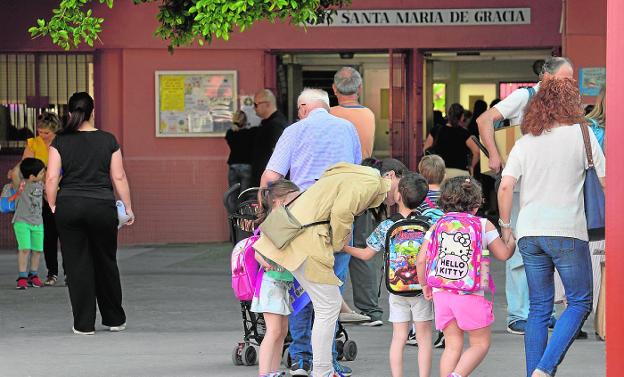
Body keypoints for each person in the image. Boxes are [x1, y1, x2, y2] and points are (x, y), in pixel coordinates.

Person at [497, 77, 605, 377]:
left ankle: (534, 372)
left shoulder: (525, 142)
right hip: (568, 231)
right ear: (572, 103)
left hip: (529, 233)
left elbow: (505, 187)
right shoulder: (583, 135)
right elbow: (608, 182)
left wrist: (507, 228)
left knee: (538, 308)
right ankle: (544, 369)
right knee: (580, 302)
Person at [254, 162, 395, 377]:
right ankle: (322, 370)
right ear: (393, 176)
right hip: (309, 246)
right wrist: (339, 242)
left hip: (299, 245)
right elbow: (341, 212)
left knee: (324, 307)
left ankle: (317, 367)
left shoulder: (348, 175)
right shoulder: (369, 183)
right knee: (327, 307)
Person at [259, 88, 361, 376]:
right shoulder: (347, 128)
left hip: (301, 222)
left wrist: (267, 217)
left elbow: (271, 177)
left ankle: (301, 358)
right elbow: (356, 171)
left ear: (303, 107)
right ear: (326, 106)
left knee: (302, 290)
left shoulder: (294, 130)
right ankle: (326, 362)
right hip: (339, 219)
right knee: (331, 292)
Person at [476, 56, 574, 335]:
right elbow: (485, 121)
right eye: (562, 78)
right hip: (520, 187)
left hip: (553, 185)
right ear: (546, 76)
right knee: (519, 247)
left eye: (570, 79)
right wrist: (495, 155)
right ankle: (519, 313)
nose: (567, 84)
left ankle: (544, 310)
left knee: (550, 248)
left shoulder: (565, 104)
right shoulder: (524, 96)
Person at [46, 92, 135, 335]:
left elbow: (52, 176)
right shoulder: (108, 140)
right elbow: (118, 176)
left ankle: (84, 324)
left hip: (69, 206)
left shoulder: (60, 141)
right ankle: (114, 319)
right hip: (101, 206)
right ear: (93, 112)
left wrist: (53, 204)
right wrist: (127, 207)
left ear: (69, 112)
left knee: (77, 265)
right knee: (105, 261)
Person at [416, 176, 515, 377]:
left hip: (441, 293)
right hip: (470, 294)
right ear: (477, 203)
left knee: (452, 346)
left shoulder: (438, 225)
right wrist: (511, 240)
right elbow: (503, 254)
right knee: (480, 343)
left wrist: (424, 284)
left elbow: (420, 260)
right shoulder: (483, 224)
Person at [343, 172, 434, 377]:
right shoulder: (429, 225)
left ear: (398, 196)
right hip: (422, 289)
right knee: (424, 337)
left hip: (397, 289)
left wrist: (345, 247)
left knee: (399, 336)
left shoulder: (387, 226)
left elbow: (366, 254)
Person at [330, 66, 382, 326]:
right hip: (361, 184)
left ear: (334, 89)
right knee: (361, 245)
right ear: (359, 89)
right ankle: (370, 309)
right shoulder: (368, 115)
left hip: (333, 186)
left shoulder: (328, 115)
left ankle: (331, 306)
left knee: (331, 246)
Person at [253, 179, 300, 377]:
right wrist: (264, 261)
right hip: (271, 283)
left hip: (282, 282)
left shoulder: (286, 221)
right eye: (294, 199)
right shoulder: (273, 222)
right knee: (273, 331)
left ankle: (273, 371)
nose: (298, 203)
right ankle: (265, 373)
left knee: (281, 331)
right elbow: (257, 250)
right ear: (279, 202)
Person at [21, 112, 62, 286]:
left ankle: (70, 273)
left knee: (67, 235)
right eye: (40, 132)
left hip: (61, 192)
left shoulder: (62, 142)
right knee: (48, 235)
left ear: (55, 131)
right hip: (40, 195)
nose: (43, 136)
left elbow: (67, 166)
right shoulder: (32, 143)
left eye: (47, 133)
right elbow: (26, 166)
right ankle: (52, 273)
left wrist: (54, 184)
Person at [12, 158, 46, 289]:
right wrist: (23, 161)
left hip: (38, 223)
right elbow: (15, 173)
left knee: (37, 250)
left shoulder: (41, 184)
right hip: (22, 222)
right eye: (42, 173)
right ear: (32, 176)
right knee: (25, 249)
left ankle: (33, 275)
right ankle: (22, 277)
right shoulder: (21, 184)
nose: (43, 175)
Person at [425, 103, 480, 179]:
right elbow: (476, 151)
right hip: (460, 173)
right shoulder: (464, 133)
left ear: (448, 115)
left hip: (440, 173)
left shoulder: (436, 130)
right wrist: (471, 166)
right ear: (462, 117)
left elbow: (426, 149)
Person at [251, 89, 289, 186]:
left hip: (271, 184)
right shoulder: (268, 123)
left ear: (267, 104)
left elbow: (280, 155)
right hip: (265, 182)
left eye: (256, 104)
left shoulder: (276, 125)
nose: (253, 108)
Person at [225, 110, 256, 192]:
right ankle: (242, 205)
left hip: (233, 165)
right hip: (247, 165)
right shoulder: (251, 133)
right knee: (244, 194)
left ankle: (233, 206)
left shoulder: (230, 133)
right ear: (245, 121)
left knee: (232, 194)